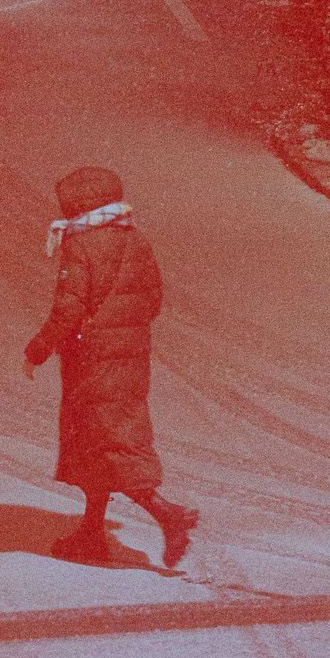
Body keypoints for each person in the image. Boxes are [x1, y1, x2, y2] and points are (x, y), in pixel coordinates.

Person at [24, 165, 197, 572]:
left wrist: (38, 349)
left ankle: (166, 513)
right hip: (129, 357)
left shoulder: (81, 245)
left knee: (107, 441)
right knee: (100, 442)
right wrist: (124, 331)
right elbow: (152, 299)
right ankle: (91, 532)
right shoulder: (134, 238)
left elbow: (69, 308)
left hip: (92, 360)